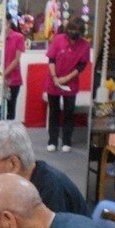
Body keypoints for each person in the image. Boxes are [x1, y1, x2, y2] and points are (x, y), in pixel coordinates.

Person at [45, 17, 90, 153]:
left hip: (71, 83)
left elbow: (81, 66)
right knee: (54, 112)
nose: (73, 32)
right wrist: (55, 77)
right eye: (71, 29)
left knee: (69, 113)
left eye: (76, 30)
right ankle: (52, 141)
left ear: (81, 32)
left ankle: (66, 141)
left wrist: (66, 78)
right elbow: (51, 59)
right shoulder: (58, 39)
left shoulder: (85, 45)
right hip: (54, 81)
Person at [4, 13, 26, 120]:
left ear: (8, 23)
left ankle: (9, 134)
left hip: (13, 78)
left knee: (11, 108)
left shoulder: (18, 37)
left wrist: (4, 74)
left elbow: (16, 60)